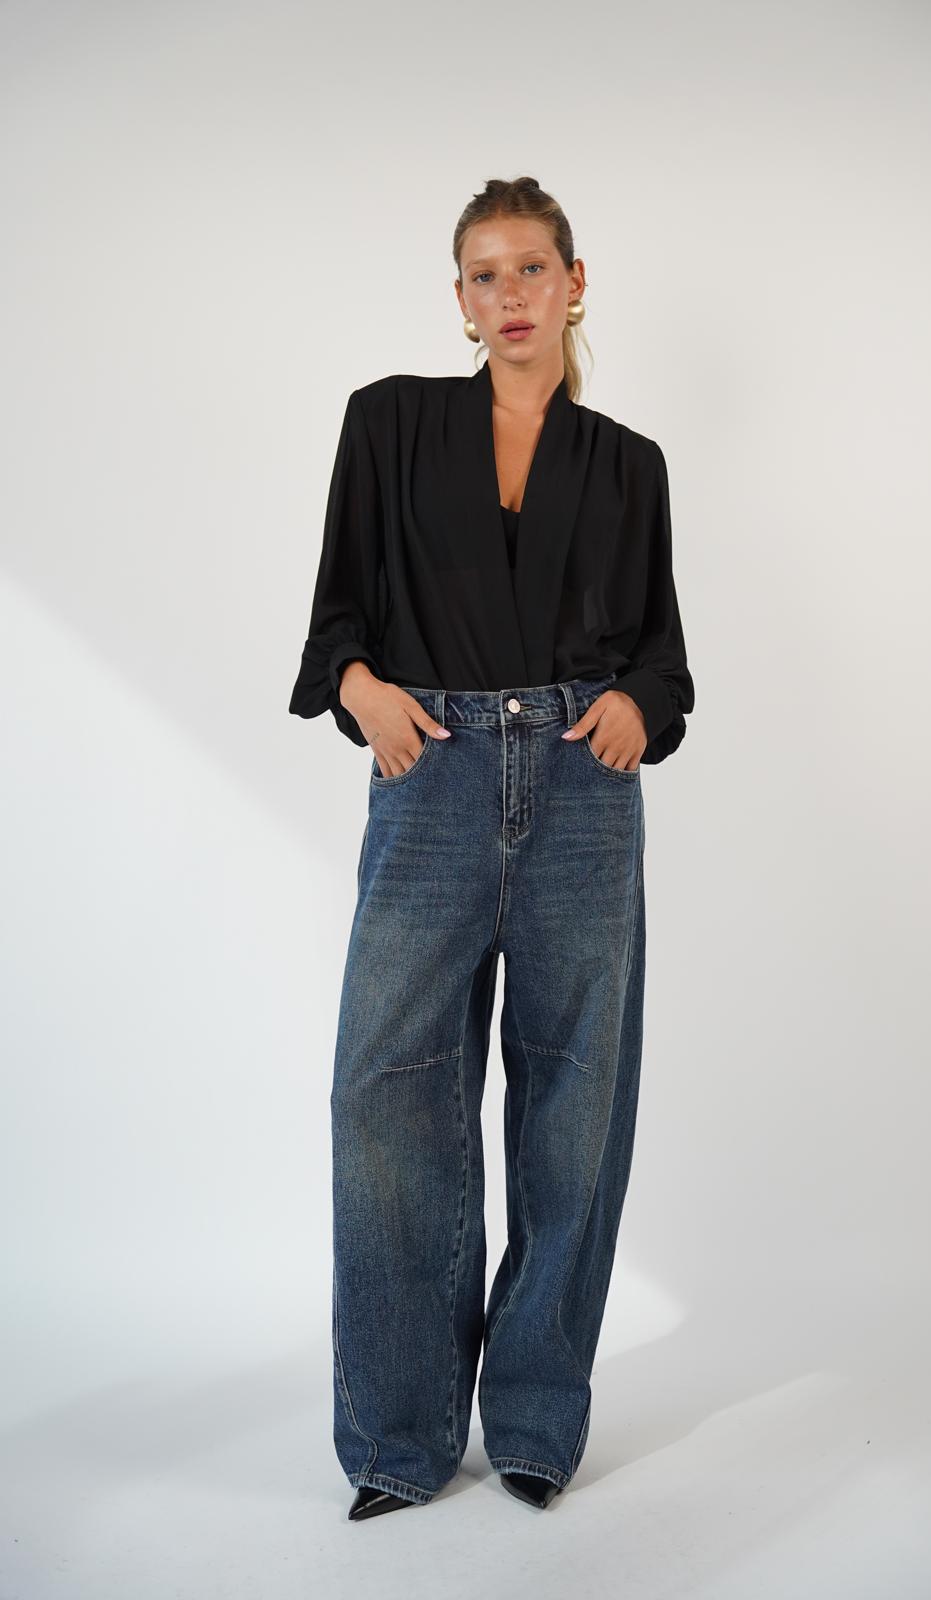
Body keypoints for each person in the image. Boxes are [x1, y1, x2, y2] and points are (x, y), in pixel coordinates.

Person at [289, 175, 695, 1519]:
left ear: (575, 285)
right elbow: (337, 618)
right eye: (483, 274)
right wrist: (363, 694)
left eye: (530, 269)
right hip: (433, 770)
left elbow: (662, 656)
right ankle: (399, 1440)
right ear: (459, 302)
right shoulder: (390, 422)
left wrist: (639, 706)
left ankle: (531, 1420)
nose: (508, 294)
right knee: (386, 1091)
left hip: (582, 784)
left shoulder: (627, 464)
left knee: (574, 1102)